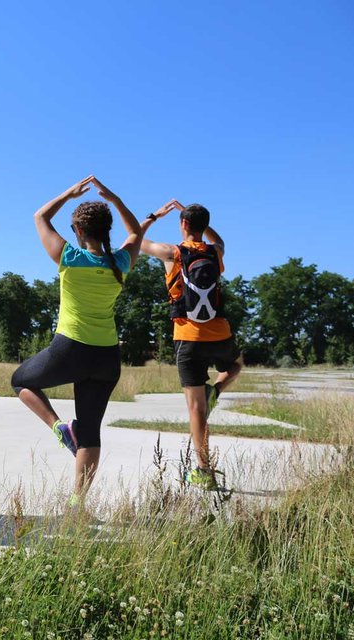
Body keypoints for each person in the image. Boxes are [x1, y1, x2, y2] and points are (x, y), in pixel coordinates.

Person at [11, 176, 164, 507]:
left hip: (70, 349)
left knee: (20, 381)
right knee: (91, 432)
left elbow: (40, 217)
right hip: (107, 357)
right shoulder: (120, 262)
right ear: (107, 230)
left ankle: (60, 429)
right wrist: (115, 198)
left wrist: (68, 193)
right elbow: (136, 233)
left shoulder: (69, 257)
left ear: (78, 231)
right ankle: (77, 505)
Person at [140, 201, 243, 490]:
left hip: (187, 337)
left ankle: (203, 469)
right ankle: (217, 390)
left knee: (196, 409)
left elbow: (134, 239)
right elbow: (219, 240)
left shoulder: (172, 253)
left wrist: (153, 216)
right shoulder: (214, 252)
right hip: (220, 333)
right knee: (236, 364)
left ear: (183, 224)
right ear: (204, 225)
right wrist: (198, 219)